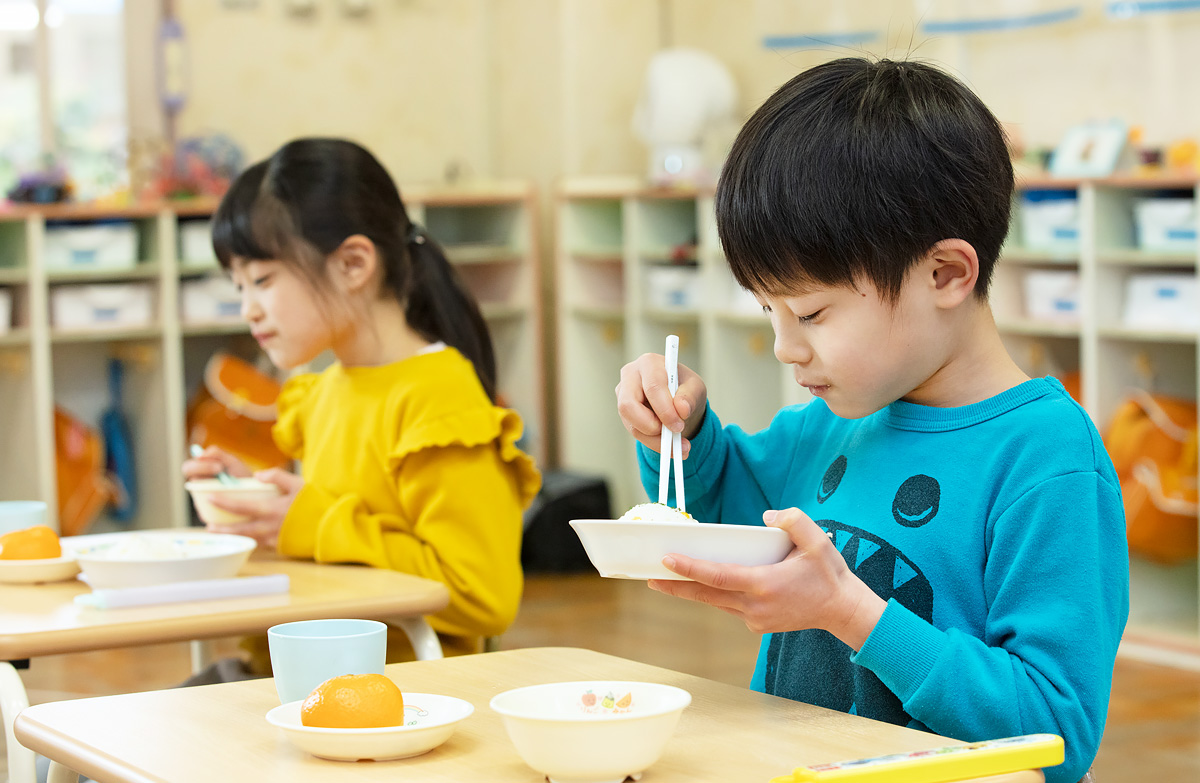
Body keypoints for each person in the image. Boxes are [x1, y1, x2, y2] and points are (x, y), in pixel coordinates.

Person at [615, 58, 1126, 783]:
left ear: (945, 273)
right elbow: (712, 508)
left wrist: (850, 610)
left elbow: (1055, 731)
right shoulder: (830, 421)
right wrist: (681, 429)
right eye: (770, 311)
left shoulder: (1046, 461)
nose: (785, 347)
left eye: (812, 312)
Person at [183, 138, 541, 666]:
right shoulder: (326, 391)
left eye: (262, 280)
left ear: (353, 264)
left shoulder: (438, 399)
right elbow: (341, 538)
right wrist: (255, 500)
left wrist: (312, 522)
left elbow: (481, 596)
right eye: (239, 286)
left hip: (393, 695)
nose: (249, 309)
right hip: (299, 670)